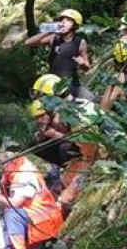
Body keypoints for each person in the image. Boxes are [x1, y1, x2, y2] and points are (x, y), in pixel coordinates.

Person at [0, 141, 65, 249]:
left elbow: (16, 203)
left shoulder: (25, 174)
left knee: (12, 215)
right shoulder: (11, 172)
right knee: (5, 219)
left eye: (1, 164)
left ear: (11, 161)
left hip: (44, 219)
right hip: (31, 218)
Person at [27, 74, 102, 209]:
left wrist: (68, 194)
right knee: (61, 185)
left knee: (63, 201)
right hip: (92, 155)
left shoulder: (79, 121)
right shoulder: (77, 106)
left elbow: (92, 161)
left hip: (105, 159)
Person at [24, 8, 96, 101]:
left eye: (68, 20)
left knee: (93, 101)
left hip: (72, 85)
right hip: (53, 85)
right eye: (62, 20)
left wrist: (82, 63)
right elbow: (28, 43)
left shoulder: (80, 42)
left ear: (75, 26)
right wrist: (49, 31)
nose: (63, 22)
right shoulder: (53, 38)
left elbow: (87, 67)